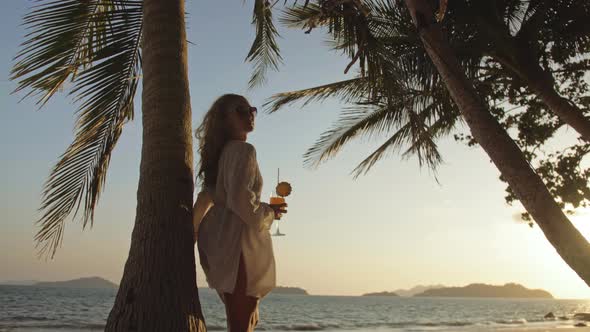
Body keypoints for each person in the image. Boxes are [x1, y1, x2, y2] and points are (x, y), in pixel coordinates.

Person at [192, 94, 287, 332]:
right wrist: (269, 212)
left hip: (222, 242)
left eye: (251, 109)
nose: (250, 114)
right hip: (239, 246)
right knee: (242, 324)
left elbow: (209, 197)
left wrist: (191, 232)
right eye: (241, 110)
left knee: (243, 320)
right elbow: (242, 202)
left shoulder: (224, 154)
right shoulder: (244, 150)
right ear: (224, 119)